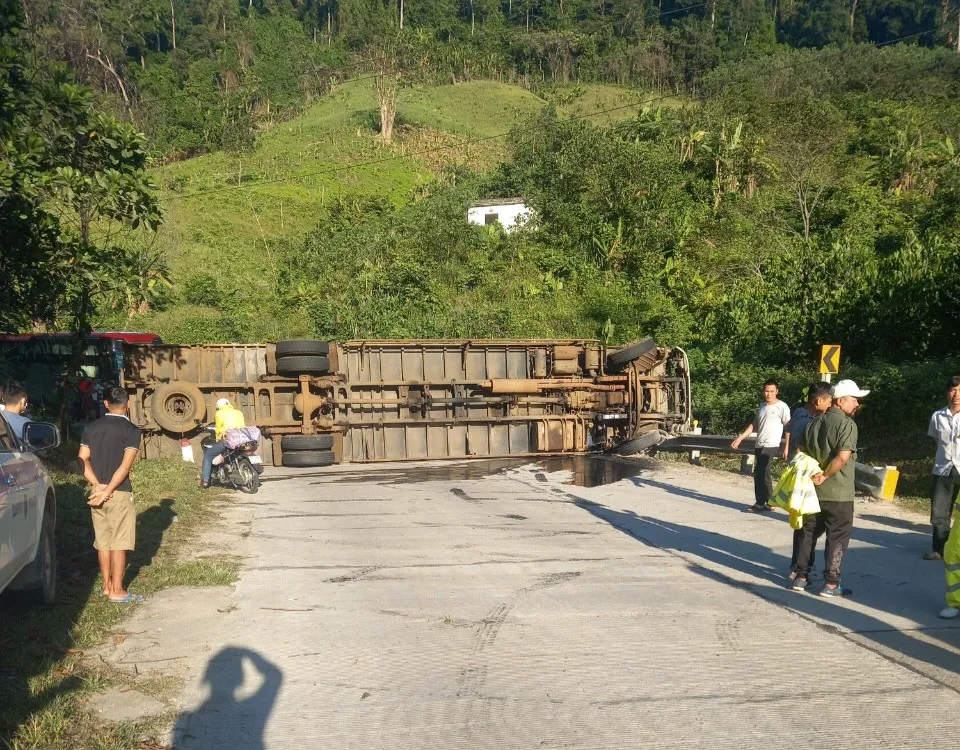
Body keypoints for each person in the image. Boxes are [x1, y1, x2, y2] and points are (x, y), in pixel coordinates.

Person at [792, 379, 870, 597]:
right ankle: (831, 584)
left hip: (812, 492)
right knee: (837, 536)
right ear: (840, 400)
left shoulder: (813, 422)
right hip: (838, 493)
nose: (857, 404)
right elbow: (843, 456)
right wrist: (825, 475)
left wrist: (812, 474)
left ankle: (801, 577)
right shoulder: (847, 425)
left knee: (807, 534)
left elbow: (799, 450)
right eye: (854, 399)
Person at [78, 385, 144, 603]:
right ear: (128, 404)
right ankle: (117, 590)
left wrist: (97, 485)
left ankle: (105, 586)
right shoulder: (132, 431)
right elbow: (124, 467)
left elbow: (82, 458)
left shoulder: (91, 428)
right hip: (119, 493)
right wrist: (109, 489)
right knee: (119, 543)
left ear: (105, 403)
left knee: (103, 542)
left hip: (96, 493)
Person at [785, 382, 833, 580]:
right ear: (818, 401)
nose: (832, 405)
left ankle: (798, 565)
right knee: (810, 525)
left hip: (799, 475)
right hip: (806, 478)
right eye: (829, 401)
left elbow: (788, 431)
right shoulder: (807, 423)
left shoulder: (799, 414)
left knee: (805, 525)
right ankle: (802, 567)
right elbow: (802, 448)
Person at [732, 379, 791, 513]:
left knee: (763, 472)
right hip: (760, 444)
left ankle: (763, 503)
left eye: (771, 391)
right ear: (763, 391)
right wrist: (740, 438)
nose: (769, 394)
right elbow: (754, 425)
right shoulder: (762, 406)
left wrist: (787, 446)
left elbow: (788, 427)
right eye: (766, 391)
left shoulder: (782, 407)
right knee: (760, 474)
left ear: (777, 391)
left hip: (772, 444)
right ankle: (767, 502)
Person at [924, 376, 960, 561]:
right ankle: (940, 549)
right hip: (943, 469)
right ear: (947, 392)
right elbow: (937, 441)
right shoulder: (937, 416)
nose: (956, 395)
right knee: (939, 512)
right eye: (953, 390)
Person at [201, 398, 246, 488]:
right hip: (242, 439)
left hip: (229, 440)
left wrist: (218, 439)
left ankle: (205, 481)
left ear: (218, 406)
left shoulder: (219, 413)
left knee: (208, 455)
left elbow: (218, 429)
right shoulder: (238, 412)